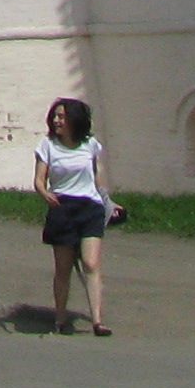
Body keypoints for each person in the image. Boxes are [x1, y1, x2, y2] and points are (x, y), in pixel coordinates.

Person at [35, 96, 115, 336]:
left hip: (90, 207)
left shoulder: (90, 145)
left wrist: (108, 201)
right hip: (63, 207)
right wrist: (46, 194)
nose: (57, 121)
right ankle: (60, 318)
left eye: (62, 117)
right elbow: (39, 180)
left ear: (74, 120)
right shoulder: (48, 145)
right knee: (64, 268)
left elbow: (95, 176)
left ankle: (98, 321)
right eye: (55, 116)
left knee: (91, 263)